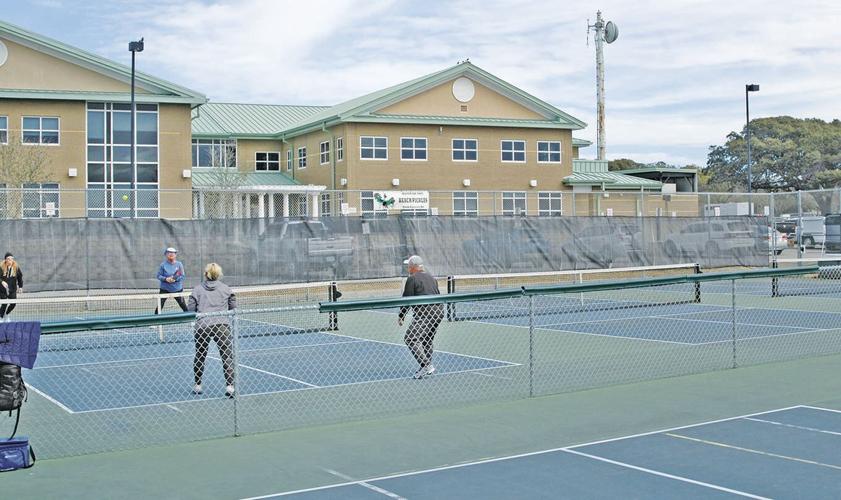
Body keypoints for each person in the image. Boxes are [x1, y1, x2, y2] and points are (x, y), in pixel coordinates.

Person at [187, 263, 237, 398]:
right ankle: (230, 386)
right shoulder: (226, 289)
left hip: (202, 325)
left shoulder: (197, 289)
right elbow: (233, 306)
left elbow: (190, 310)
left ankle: (197, 385)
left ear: (206, 274)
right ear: (219, 274)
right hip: (222, 325)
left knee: (200, 355)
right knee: (227, 356)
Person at [398, 255, 444, 379]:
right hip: (439, 312)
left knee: (410, 338)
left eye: (409, 266)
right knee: (426, 340)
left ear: (413, 267)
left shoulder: (412, 279)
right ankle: (425, 367)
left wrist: (401, 315)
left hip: (425, 312)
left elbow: (407, 299)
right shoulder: (432, 278)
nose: (408, 268)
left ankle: (426, 365)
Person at [155, 247, 187, 314]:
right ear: (166, 255)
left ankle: (192, 320)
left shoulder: (179, 264)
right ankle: (154, 321)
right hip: (165, 289)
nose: (171, 254)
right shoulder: (163, 265)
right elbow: (158, 276)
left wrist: (175, 280)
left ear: (175, 255)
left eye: (173, 253)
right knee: (160, 306)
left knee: (183, 305)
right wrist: (166, 279)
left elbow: (182, 276)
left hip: (177, 289)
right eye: (169, 252)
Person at [0, 252, 23, 322]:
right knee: (4, 303)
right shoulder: (1, 267)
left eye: (12, 259)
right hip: (2, 289)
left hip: (12, 289)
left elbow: (20, 277)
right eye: (8, 259)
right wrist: (2, 282)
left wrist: (20, 287)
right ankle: (1, 317)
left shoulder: (16, 267)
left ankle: (6, 314)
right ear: (5, 260)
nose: (10, 260)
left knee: (13, 303)